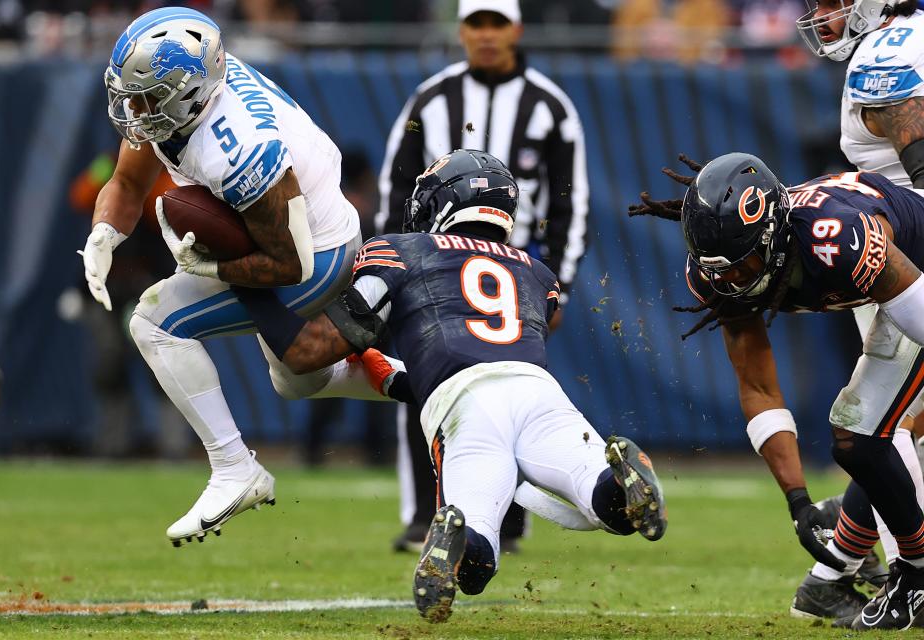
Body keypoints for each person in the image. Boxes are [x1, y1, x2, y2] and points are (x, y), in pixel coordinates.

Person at [279, 149, 666, 622]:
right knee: (605, 500)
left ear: (443, 203)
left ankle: (460, 534)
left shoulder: (400, 250)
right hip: (539, 392)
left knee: (475, 559)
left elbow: (342, 341)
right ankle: (619, 480)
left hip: (463, 404)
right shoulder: (534, 271)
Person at [81, 6, 402, 546]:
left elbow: (290, 265)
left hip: (317, 252)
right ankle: (416, 381)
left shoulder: (237, 147)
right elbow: (127, 182)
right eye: (129, 94)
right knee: (296, 377)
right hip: (297, 234)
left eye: (146, 97)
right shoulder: (182, 101)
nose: (134, 110)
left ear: (185, 93)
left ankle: (234, 467)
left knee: (155, 321)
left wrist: (211, 265)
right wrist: (103, 234)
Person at [630, 152, 924, 630]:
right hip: (890, 293)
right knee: (875, 434)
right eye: (716, 268)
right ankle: (837, 574)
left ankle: (911, 573)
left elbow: (916, 311)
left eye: (740, 264)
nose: (729, 280)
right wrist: (798, 502)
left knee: (867, 430)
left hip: (913, 281)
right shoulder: (718, 273)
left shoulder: (836, 238)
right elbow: (759, 386)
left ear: (773, 234)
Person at [378, 0, 589, 553]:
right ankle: (426, 513)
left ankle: (505, 524)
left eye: (497, 23)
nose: (488, 34)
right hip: (434, 265)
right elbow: (396, 185)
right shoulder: (430, 100)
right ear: (462, 30)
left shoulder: (549, 106)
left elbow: (570, 200)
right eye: (477, 23)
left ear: (516, 29)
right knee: (424, 381)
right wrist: (390, 262)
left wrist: (557, 284)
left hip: (516, 272)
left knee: (515, 391)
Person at [794, 0, 924, 618]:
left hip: (896, 246)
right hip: (894, 250)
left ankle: (839, 574)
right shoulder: (893, 44)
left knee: (894, 425)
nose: (824, 16)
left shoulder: (894, 45)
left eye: (832, 1)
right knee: (892, 426)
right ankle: (900, 571)